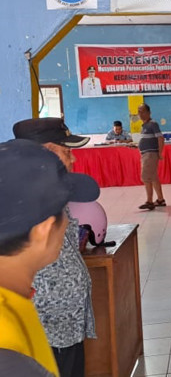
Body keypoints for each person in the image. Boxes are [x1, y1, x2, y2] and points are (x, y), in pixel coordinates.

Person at [0, 139, 99, 377]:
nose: (69, 223)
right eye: (63, 214)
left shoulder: (15, 305)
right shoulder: (15, 358)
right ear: (44, 231)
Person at [137, 103, 165, 210]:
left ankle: (149, 201)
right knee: (153, 178)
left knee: (146, 178)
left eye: (142, 111)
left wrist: (160, 153)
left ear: (149, 112)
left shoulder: (153, 124)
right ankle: (160, 199)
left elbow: (160, 138)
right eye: (139, 111)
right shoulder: (144, 125)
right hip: (146, 154)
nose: (140, 114)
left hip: (150, 155)